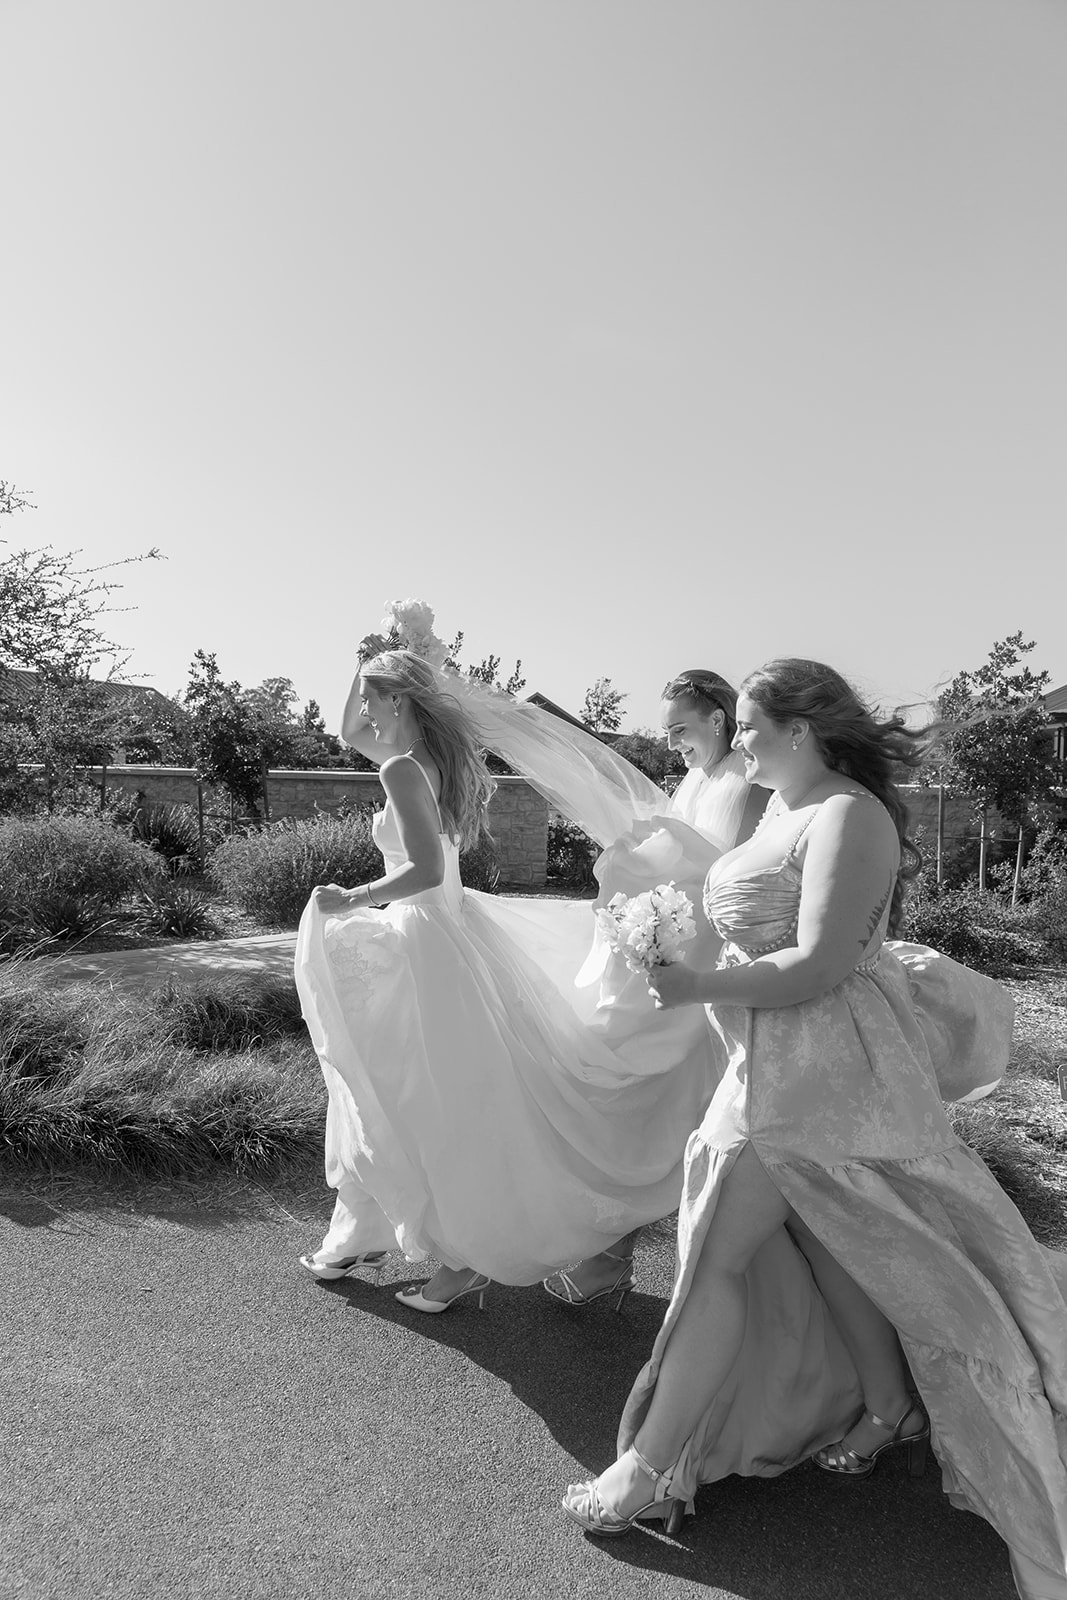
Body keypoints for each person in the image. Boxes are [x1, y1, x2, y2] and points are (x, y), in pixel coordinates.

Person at [561, 659, 1067, 1600]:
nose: (736, 741)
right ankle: (886, 1410)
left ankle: (644, 1467)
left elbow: (822, 962)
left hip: (825, 1083)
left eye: (750, 726)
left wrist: (698, 983)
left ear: (802, 728)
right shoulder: (777, 812)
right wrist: (665, 943)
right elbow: (758, 940)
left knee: (716, 1259)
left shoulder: (848, 813)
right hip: (765, 1070)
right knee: (837, 1252)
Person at [294, 647, 755, 1310]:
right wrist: (368, 660)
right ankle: (364, 1233)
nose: (361, 710)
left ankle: (451, 1254)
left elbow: (423, 868)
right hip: (447, 933)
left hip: (421, 938)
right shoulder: (433, 763)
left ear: (397, 701)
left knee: (406, 1096)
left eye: (372, 696)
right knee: (399, 1092)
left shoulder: (401, 768)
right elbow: (351, 733)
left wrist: (352, 897)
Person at [542, 669, 767, 1306]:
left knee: (667, 1116)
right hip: (666, 961)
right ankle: (610, 1256)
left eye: (679, 729)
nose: (671, 744)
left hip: (708, 970)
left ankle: (705, 1277)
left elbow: (738, 879)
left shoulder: (747, 782)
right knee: (639, 1113)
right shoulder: (696, 777)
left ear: (720, 719)